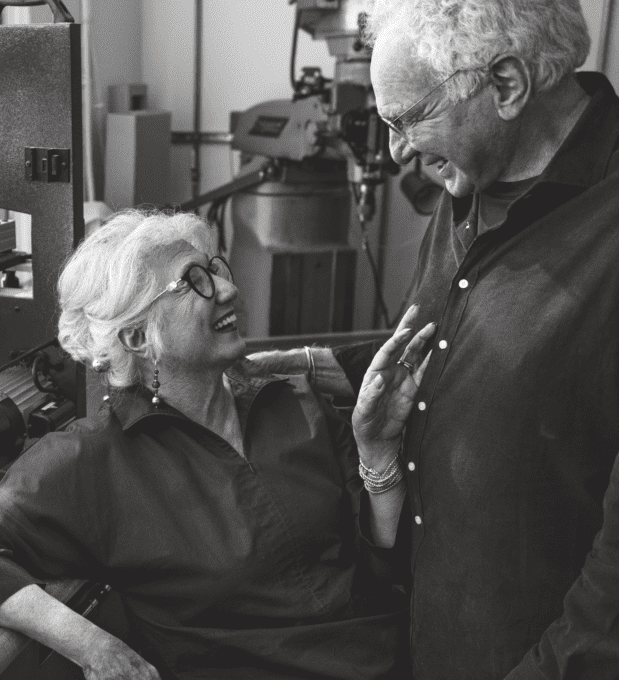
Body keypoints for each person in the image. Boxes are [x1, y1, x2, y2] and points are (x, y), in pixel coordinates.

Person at [252, 0, 619, 677]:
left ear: (505, 86)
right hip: (431, 638)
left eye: (408, 119)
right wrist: (315, 367)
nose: (396, 152)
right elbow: (452, 347)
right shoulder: (471, 184)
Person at [0, 210, 435, 680]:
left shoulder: (294, 401)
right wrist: (93, 645)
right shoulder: (93, 460)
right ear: (137, 338)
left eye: (216, 267)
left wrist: (377, 452)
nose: (227, 290)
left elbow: (382, 563)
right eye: (193, 282)